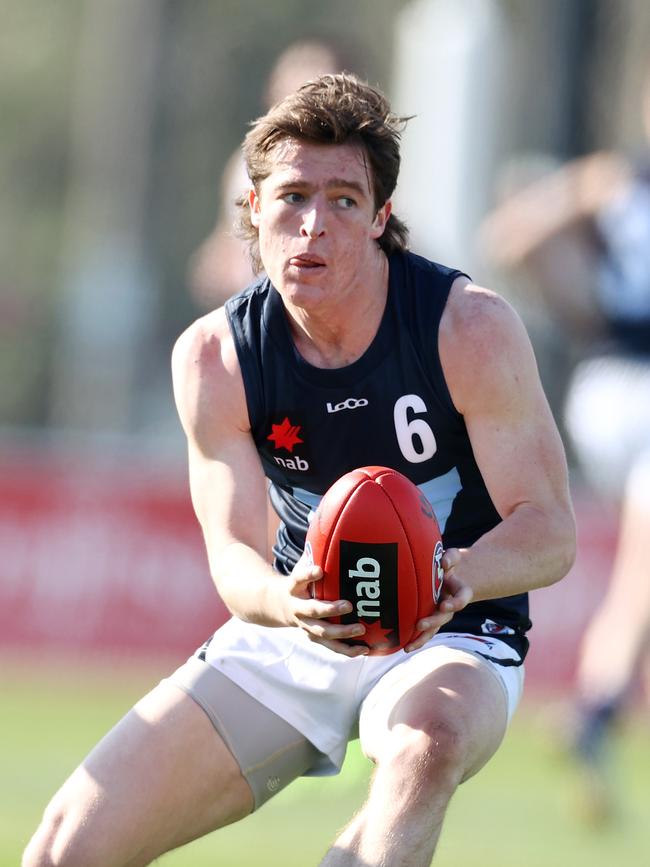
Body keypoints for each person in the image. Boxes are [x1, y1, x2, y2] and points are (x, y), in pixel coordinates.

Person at [23, 74, 576, 867]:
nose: (314, 224)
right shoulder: (215, 358)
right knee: (63, 848)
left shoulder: (469, 328)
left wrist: (454, 573)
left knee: (427, 744)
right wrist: (288, 600)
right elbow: (235, 557)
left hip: (453, 625)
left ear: (382, 218)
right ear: (253, 209)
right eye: (292, 197)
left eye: (345, 200)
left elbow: (551, 531)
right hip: (300, 624)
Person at [479, 70, 650, 820]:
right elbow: (513, 233)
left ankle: (600, 719)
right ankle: (597, 706)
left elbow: (515, 233)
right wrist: (576, 296)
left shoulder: (612, 180)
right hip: (631, 382)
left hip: (607, 385)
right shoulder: (611, 178)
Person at [189, 39, 357, 309]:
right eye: (292, 81)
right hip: (262, 316)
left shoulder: (357, 163)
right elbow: (227, 239)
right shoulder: (247, 163)